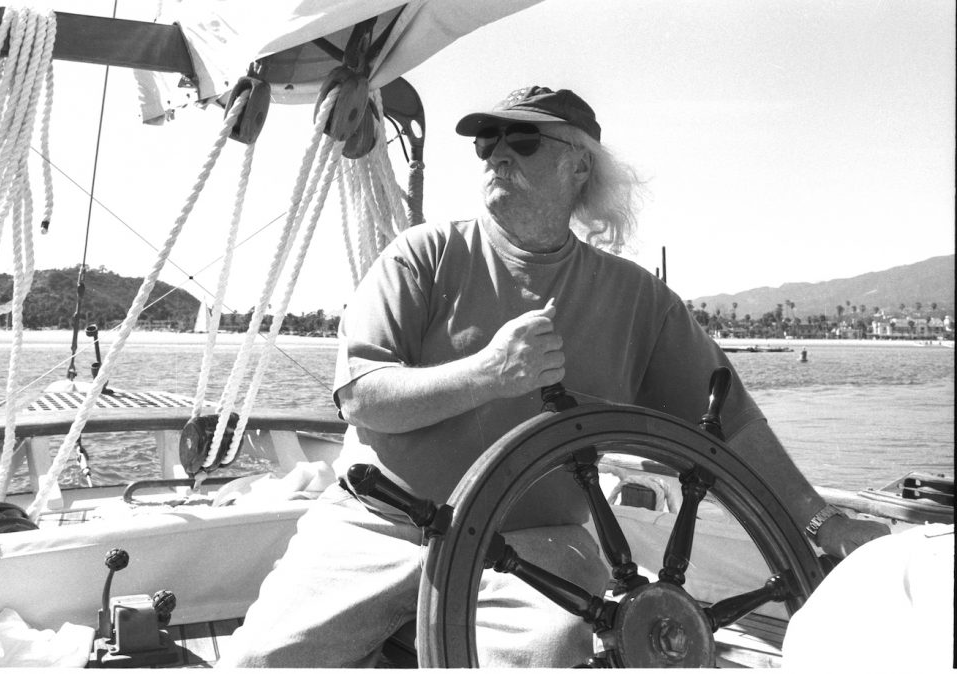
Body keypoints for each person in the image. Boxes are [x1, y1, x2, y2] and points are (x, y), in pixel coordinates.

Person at [219, 85, 888, 668]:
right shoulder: (421, 258)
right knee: (259, 661)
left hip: (536, 542)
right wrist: (485, 375)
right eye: (487, 142)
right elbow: (361, 397)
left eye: (523, 140)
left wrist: (821, 523)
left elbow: (731, 424)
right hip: (377, 528)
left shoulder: (640, 304)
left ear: (578, 167)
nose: (498, 152)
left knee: (554, 652)